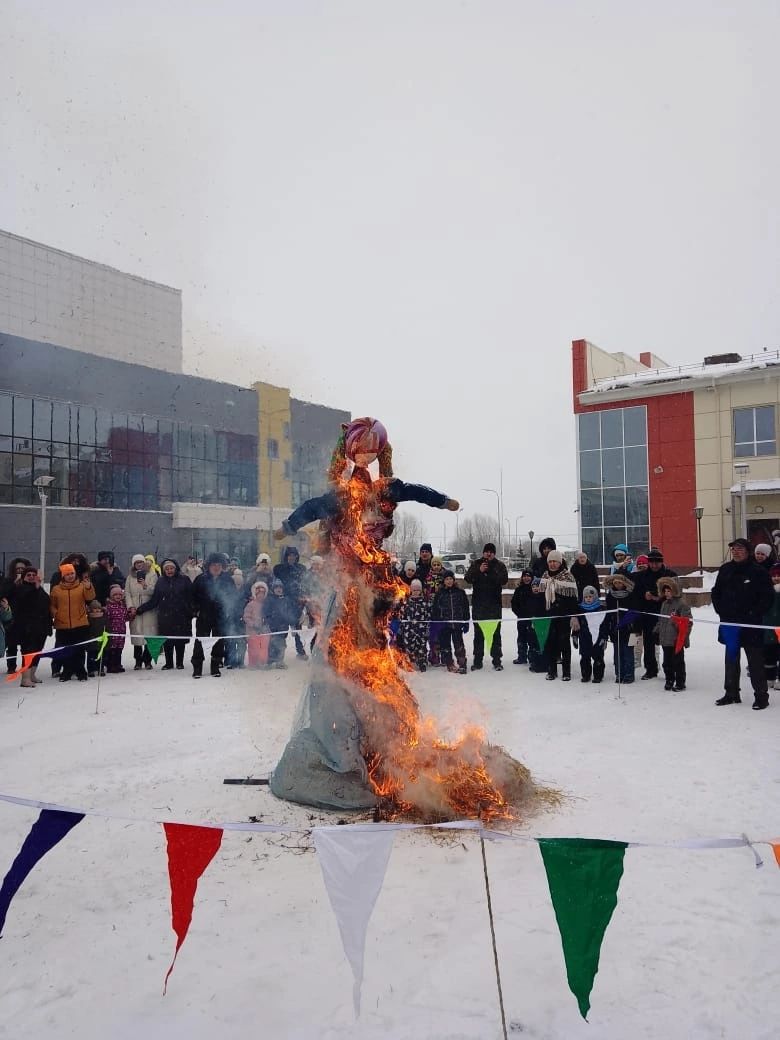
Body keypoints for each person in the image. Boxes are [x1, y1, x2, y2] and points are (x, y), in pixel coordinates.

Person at [711, 538, 774, 709]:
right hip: (730, 623)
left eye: (740, 548)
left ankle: (761, 696)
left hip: (751, 625)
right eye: (733, 549)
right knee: (731, 659)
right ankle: (731, 693)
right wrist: (720, 610)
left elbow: (767, 597)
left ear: (747, 551)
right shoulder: (726, 570)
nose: (736, 552)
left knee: (755, 662)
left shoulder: (758, 572)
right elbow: (716, 592)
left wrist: (754, 613)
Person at [135, 558, 194, 670]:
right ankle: (169, 663)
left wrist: (192, 611)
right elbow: (155, 600)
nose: (169, 570)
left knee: (180, 640)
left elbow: (191, 597)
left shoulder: (184, 579)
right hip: (165, 616)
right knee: (167, 640)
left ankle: (180, 662)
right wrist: (141, 609)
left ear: (175, 568)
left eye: (171, 568)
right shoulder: (161, 581)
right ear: (163, 570)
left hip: (181, 615)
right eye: (167, 569)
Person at [191, 553, 238, 678]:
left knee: (219, 641)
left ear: (223, 566)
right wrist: (196, 610)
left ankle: (216, 666)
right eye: (213, 565)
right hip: (204, 615)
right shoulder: (200, 579)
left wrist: (229, 610)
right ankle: (197, 667)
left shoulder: (228, 579)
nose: (216, 567)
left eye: (219, 565)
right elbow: (192, 597)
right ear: (208, 566)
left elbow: (233, 597)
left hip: (221, 616)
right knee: (200, 641)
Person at [633, 548, 677, 680]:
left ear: (661, 562)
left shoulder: (670, 574)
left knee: (668, 643)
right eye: (651, 562)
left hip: (666, 614)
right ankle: (650, 669)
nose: (654, 565)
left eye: (657, 562)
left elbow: (677, 593)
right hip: (648, 614)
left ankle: (671, 669)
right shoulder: (642, 575)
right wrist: (644, 595)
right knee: (649, 643)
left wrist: (659, 596)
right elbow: (635, 590)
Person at [50, 562, 95, 681]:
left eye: (72, 573)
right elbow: (52, 605)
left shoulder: (81, 586)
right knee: (65, 650)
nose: (70, 576)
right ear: (63, 576)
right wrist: (55, 613)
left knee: (79, 649)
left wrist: (89, 587)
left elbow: (90, 597)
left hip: (80, 623)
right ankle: (67, 671)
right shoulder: (56, 589)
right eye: (67, 574)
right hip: (62, 625)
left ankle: (81, 672)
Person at [465, 543, 508, 670]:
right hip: (479, 605)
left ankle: (497, 660)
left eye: (491, 552)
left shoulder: (499, 565)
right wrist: (479, 571)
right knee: (478, 635)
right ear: (483, 553)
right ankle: (478, 661)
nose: (488, 554)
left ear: (494, 554)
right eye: (486, 551)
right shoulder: (476, 564)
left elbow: (504, 580)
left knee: (495, 634)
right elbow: (467, 578)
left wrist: (492, 571)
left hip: (494, 605)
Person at [539, 550, 578, 681]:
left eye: (554, 561)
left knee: (564, 643)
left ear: (560, 562)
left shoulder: (568, 576)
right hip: (549, 615)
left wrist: (574, 615)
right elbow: (541, 597)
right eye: (550, 561)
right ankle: (551, 670)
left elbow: (573, 599)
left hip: (564, 616)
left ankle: (566, 671)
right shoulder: (545, 576)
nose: (552, 564)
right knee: (550, 643)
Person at [12, 565, 51, 687]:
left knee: (37, 652)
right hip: (27, 627)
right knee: (28, 652)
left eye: (34, 575)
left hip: (41, 627)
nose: (31, 577)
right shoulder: (21, 589)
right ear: (24, 577)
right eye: (28, 575)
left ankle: (32, 675)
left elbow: (45, 602)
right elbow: (26, 600)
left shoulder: (38, 589)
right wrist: (36, 587)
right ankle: (25, 678)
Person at [653, 576, 692, 691]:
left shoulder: (682, 604)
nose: (667, 593)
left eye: (669, 591)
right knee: (667, 663)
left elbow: (687, 622)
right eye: (665, 591)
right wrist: (656, 631)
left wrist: (677, 624)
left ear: (674, 590)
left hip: (676, 639)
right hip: (666, 639)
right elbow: (661, 620)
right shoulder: (664, 604)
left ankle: (680, 682)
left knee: (678, 662)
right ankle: (669, 679)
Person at [274, 546, 309, 660]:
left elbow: (305, 584)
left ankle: (300, 651)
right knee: (282, 628)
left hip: (296, 602)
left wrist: (302, 599)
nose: (292, 557)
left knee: (297, 628)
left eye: (294, 555)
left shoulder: (301, 569)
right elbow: (275, 581)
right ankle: (279, 654)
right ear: (286, 556)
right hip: (283, 602)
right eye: (289, 555)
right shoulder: (279, 568)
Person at [601, 573, 637, 683]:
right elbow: (608, 614)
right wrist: (609, 628)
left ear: (624, 583)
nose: (617, 585)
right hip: (615, 629)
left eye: (619, 582)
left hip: (631, 630)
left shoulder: (631, 595)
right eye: (615, 583)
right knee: (617, 654)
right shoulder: (610, 596)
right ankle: (619, 674)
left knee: (629, 653)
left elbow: (635, 612)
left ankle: (629, 674)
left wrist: (631, 624)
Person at [125, 554, 158, 670]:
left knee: (149, 635)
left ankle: (147, 660)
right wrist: (130, 607)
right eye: (137, 562)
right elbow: (127, 593)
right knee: (137, 636)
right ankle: (138, 661)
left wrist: (145, 585)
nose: (139, 564)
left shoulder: (152, 574)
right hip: (135, 608)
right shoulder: (130, 577)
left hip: (148, 608)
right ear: (133, 564)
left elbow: (154, 591)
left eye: (141, 562)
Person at [432, 570, 469, 673]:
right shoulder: (440, 594)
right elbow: (435, 609)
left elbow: (465, 607)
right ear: (444, 581)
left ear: (454, 580)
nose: (449, 581)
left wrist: (466, 621)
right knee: (445, 646)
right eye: (447, 579)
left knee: (459, 645)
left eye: (450, 579)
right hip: (445, 625)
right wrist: (437, 623)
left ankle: (462, 664)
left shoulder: (460, 593)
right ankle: (449, 663)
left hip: (457, 624)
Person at [1, 557, 33, 673]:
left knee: (26, 646)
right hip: (12, 619)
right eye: (17, 568)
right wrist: (14, 584)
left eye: (22, 569)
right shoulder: (8, 581)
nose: (19, 571)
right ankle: (11, 667)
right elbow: (3, 594)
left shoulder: (30, 582)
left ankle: (26, 667)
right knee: (12, 645)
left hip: (26, 618)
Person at [572, 585, 606, 683]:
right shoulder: (580, 608)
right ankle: (586, 675)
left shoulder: (601, 608)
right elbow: (576, 624)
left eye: (590, 597)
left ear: (594, 596)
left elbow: (604, 624)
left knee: (598, 657)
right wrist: (574, 635)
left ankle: (598, 676)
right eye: (586, 597)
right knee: (585, 657)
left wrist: (604, 637)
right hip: (584, 637)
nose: (588, 599)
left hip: (598, 637)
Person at [399, 578, 431, 671]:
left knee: (421, 646)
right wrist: (402, 627)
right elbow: (402, 615)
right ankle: (410, 661)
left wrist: (428, 627)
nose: (416, 592)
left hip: (421, 630)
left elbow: (428, 615)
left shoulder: (425, 603)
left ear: (420, 591)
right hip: (409, 629)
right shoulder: (406, 603)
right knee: (409, 646)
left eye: (418, 590)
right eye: (414, 590)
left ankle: (422, 662)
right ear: (411, 591)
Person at [264, 578, 292, 669]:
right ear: (273, 589)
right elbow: (266, 613)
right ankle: (270, 661)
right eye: (276, 587)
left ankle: (280, 661)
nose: (278, 589)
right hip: (273, 627)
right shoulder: (269, 599)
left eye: (280, 587)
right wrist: (269, 623)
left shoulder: (285, 600)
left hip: (283, 627)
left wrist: (291, 622)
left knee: (282, 644)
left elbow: (289, 612)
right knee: (272, 644)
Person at [510, 569, 536, 665]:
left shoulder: (535, 589)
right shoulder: (519, 590)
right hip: (521, 618)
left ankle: (532, 657)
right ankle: (522, 657)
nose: (526, 578)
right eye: (524, 576)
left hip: (532, 619)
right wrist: (519, 613)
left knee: (532, 638)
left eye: (528, 576)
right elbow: (514, 603)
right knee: (521, 638)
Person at [243, 581, 271, 668]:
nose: (261, 595)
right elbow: (246, 617)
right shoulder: (250, 605)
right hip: (253, 631)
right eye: (259, 593)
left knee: (264, 647)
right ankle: (253, 663)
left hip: (264, 630)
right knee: (253, 647)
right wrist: (252, 624)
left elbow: (270, 615)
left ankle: (262, 662)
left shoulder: (267, 604)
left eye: (263, 593)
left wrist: (267, 624)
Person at [103, 585, 130, 673]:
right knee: (112, 649)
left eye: (119, 595)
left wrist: (131, 615)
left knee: (119, 649)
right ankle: (111, 665)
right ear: (111, 596)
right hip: (112, 632)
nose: (118, 596)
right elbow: (106, 619)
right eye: (115, 595)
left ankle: (118, 664)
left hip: (121, 631)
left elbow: (126, 617)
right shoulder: (109, 607)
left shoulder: (123, 606)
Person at [762, 564, 780, 690]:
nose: (776, 578)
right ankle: (770, 678)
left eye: (779, 576)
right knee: (769, 656)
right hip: (768, 629)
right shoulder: (766, 591)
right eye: (774, 576)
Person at [86, 599, 106, 677]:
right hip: (91, 642)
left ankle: (100, 669)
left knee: (101, 656)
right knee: (91, 656)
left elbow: (107, 628)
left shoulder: (104, 618)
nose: (97, 610)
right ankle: (90, 670)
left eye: (98, 608)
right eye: (94, 608)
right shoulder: (88, 619)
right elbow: (86, 630)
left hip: (101, 641)